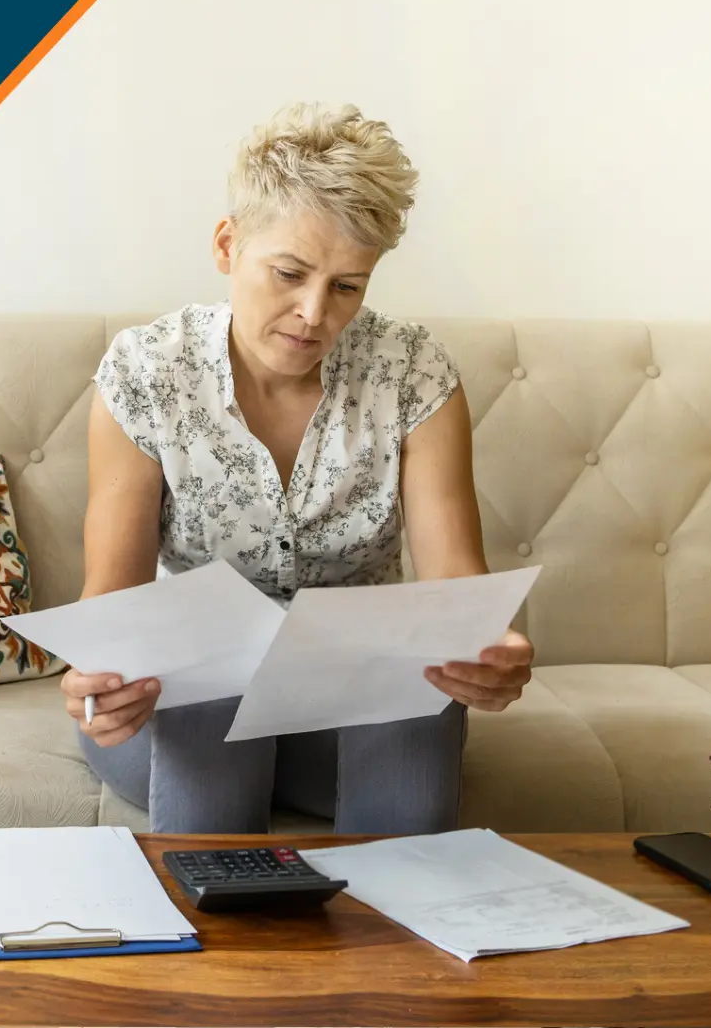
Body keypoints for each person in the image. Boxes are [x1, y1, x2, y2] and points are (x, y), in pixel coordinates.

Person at [63, 102, 534, 835]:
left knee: (418, 711)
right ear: (227, 245)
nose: (315, 313)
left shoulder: (414, 374)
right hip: (180, 707)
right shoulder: (147, 371)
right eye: (289, 273)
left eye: (348, 286)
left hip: (346, 708)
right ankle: (224, 943)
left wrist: (486, 658)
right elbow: (113, 614)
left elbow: (455, 594)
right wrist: (100, 681)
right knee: (212, 702)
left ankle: (401, 943)